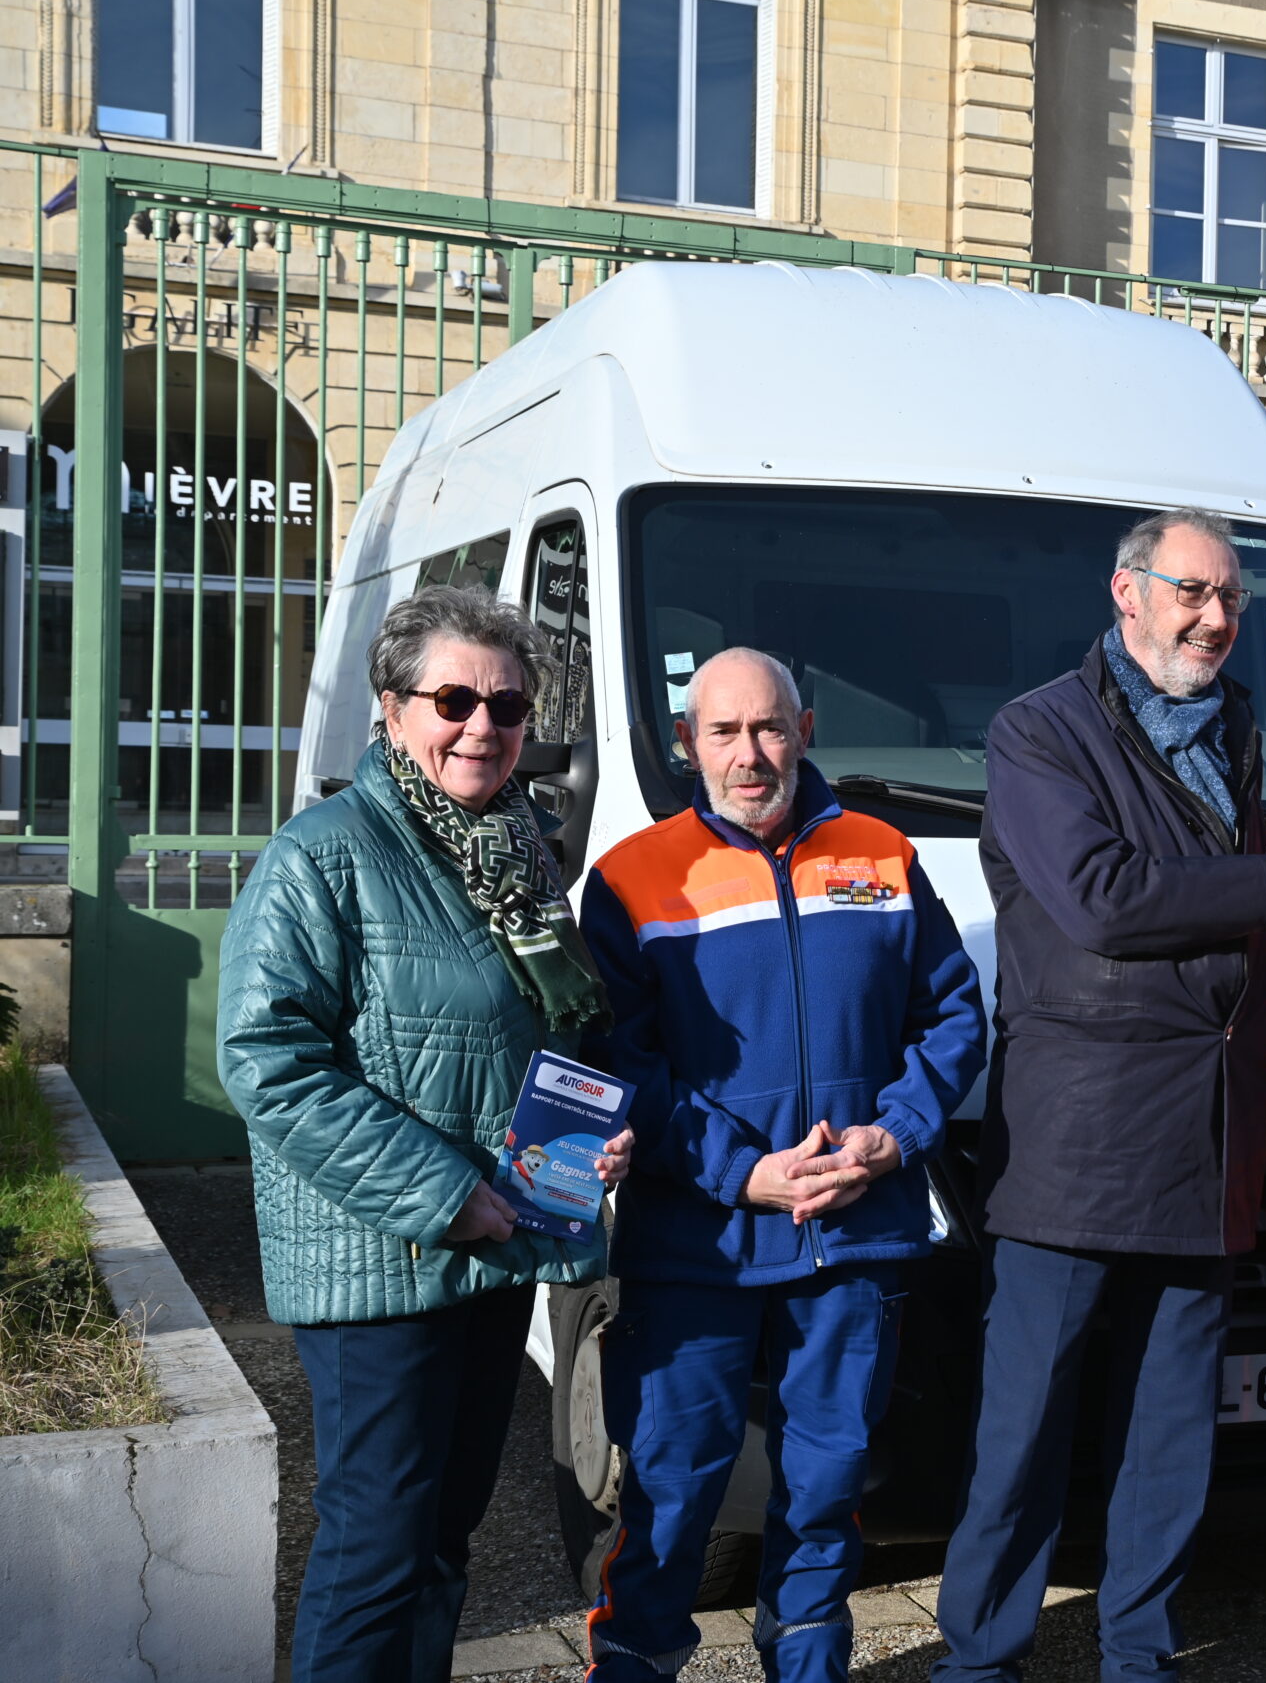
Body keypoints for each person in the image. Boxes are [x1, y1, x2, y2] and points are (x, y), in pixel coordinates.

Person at [934, 509, 1266, 1683]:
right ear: (1127, 593)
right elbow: (1104, 899)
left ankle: (1140, 1657)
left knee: (1170, 1437)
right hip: (1077, 1144)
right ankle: (978, 1664)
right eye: (1191, 591)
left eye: (1231, 598)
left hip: (1208, 1137)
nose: (1215, 618)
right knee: (1024, 1434)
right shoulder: (1039, 729)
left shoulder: (1234, 725)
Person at [218, 584, 632, 1683]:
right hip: (383, 1261)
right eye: (455, 700)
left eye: (509, 705)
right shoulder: (322, 854)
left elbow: (558, 1030)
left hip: (498, 1247)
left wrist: (601, 1131)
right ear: (394, 708)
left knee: (444, 1541)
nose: (483, 726)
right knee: (376, 1550)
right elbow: (267, 1060)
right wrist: (443, 1193)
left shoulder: (518, 852)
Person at [578, 648, 988, 1682]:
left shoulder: (884, 854)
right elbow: (620, 1063)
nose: (749, 754)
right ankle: (631, 1665)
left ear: (805, 730)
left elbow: (952, 1016)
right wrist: (742, 1172)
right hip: (699, 1244)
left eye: (768, 728)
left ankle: (809, 1666)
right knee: (673, 1486)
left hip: (855, 1234)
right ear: (688, 742)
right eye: (723, 731)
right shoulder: (633, 877)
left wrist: (894, 1133)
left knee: (827, 1486)